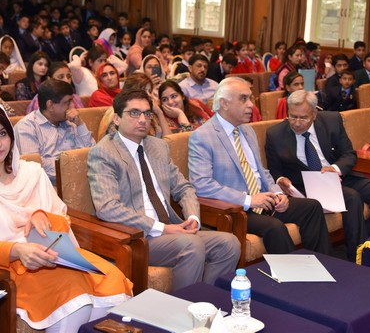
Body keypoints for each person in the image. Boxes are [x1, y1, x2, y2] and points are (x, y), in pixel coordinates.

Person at [0, 101, 132, 331]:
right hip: (9, 266)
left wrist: (42, 216)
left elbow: (62, 217)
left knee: (112, 280)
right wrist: (16, 250)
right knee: (76, 301)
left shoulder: (31, 172)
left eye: (2, 133)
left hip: (55, 255)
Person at [87, 89, 240, 290]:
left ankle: (206, 299)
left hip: (172, 229)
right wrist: (162, 228)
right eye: (134, 113)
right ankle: (183, 307)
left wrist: (193, 217)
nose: (143, 119)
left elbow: (183, 187)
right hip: (137, 237)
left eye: (147, 113)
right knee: (191, 245)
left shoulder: (158, 146)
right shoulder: (104, 153)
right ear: (117, 119)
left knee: (229, 243)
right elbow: (107, 207)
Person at [188, 77, 331, 255]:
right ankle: (293, 272)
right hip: (236, 209)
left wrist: (278, 194)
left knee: (312, 207)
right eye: (243, 99)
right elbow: (201, 185)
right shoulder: (203, 136)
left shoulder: (247, 130)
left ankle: (321, 263)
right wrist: (248, 200)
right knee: (275, 227)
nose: (251, 105)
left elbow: (261, 171)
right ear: (224, 103)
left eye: (250, 98)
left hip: (264, 200)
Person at [265, 90, 370, 261]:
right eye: (292, 116)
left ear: (314, 114)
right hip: (308, 185)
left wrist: (335, 168)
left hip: (338, 176)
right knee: (352, 197)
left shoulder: (332, 121)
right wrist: (281, 180)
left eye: (303, 118)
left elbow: (349, 154)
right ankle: (357, 256)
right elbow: (274, 171)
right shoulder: (275, 134)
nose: (297, 123)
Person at [15, 80, 95, 184]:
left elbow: (93, 154)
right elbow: (34, 167)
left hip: (79, 182)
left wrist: (80, 125)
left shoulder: (70, 122)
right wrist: (74, 165)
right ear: (50, 105)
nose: (72, 107)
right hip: (45, 186)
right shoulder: (27, 127)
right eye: (68, 102)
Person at [97, 73, 172, 140]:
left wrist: (159, 113)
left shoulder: (148, 113)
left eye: (149, 91)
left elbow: (169, 142)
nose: (149, 95)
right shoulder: (118, 114)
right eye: (143, 91)